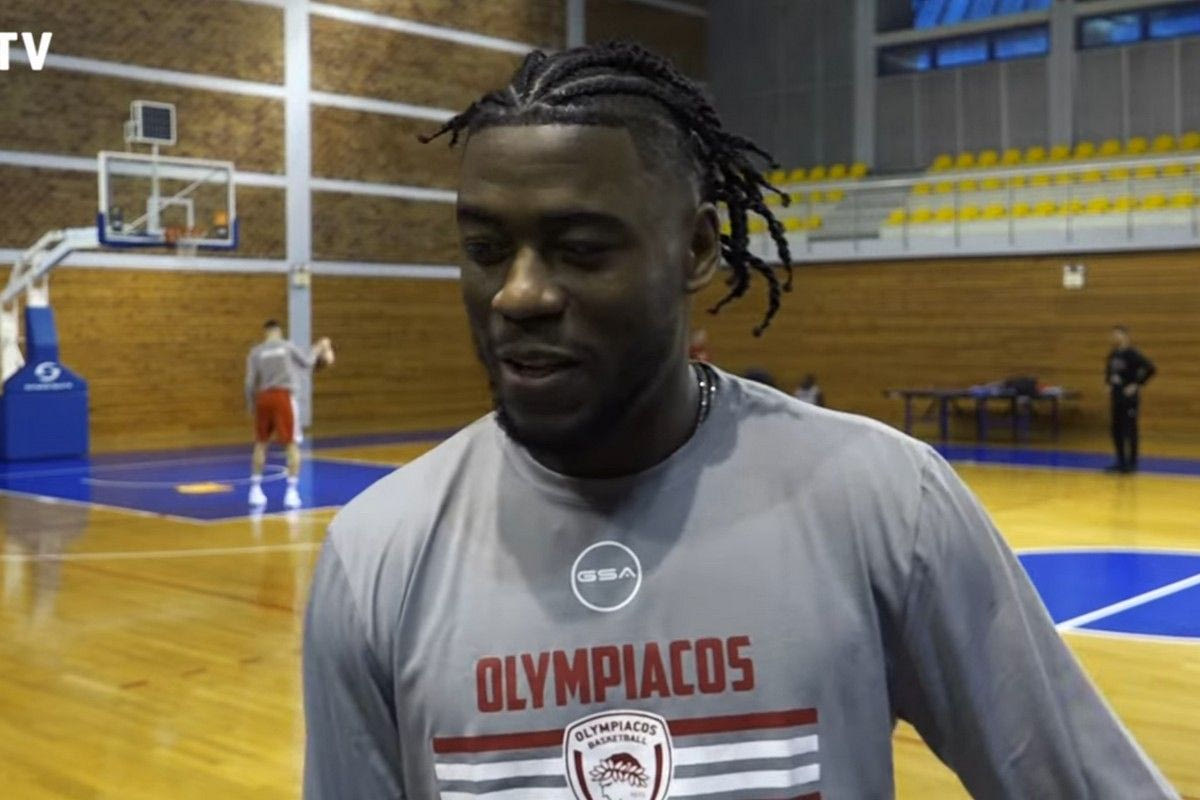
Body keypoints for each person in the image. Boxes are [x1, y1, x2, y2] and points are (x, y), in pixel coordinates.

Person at [302, 43, 1177, 799]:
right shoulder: (379, 554)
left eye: (580, 249)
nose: (519, 293)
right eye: (486, 250)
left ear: (695, 249)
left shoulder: (887, 504)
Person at [244, 320, 332, 508]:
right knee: (291, 445)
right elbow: (308, 362)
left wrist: (251, 405)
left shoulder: (256, 352)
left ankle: (254, 490)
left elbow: (250, 383)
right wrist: (318, 348)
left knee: (260, 444)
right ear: (278, 331)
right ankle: (291, 493)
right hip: (283, 397)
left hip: (264, 398)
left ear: (265, 332)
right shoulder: (287, 346)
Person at [1106, 325, 1156, 473]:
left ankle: (1132, 463)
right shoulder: (1113, 354)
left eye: (1118, 334)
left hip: (1129, 398)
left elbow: (1151, 368)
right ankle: (1120, 460)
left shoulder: (1133, 353)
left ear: (1125, 336)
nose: (1115, 337)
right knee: (1116, 429)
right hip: (1116, 397)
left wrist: (1136, 384)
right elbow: (1109, 371)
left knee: (1130, 429)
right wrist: (1108, 383)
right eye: (1114, 335)